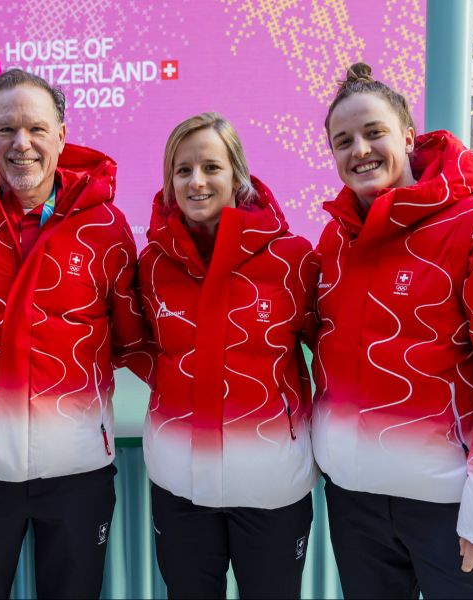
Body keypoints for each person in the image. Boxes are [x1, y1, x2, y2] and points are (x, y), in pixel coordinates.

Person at [311, 62, 473, 599]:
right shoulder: (334, 243)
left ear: (407, 136)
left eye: (374, 132)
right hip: (355, 502)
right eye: (343, 140)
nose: (360, 150)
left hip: (453, 507)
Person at [0, 69, 150, 599]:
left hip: (76, 467)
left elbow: (126, 337)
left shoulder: (106, 227)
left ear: (62, 137)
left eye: (36, 129)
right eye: (6, 129)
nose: (21, 143)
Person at [137, 112, 318, 599]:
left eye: (211, 167)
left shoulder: (292, 257)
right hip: (180, 487)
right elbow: (141, 348)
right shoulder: (152, 264)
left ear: (238, 176)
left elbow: (328, 350)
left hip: (272, 486)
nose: (196, 181)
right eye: (182, 170)